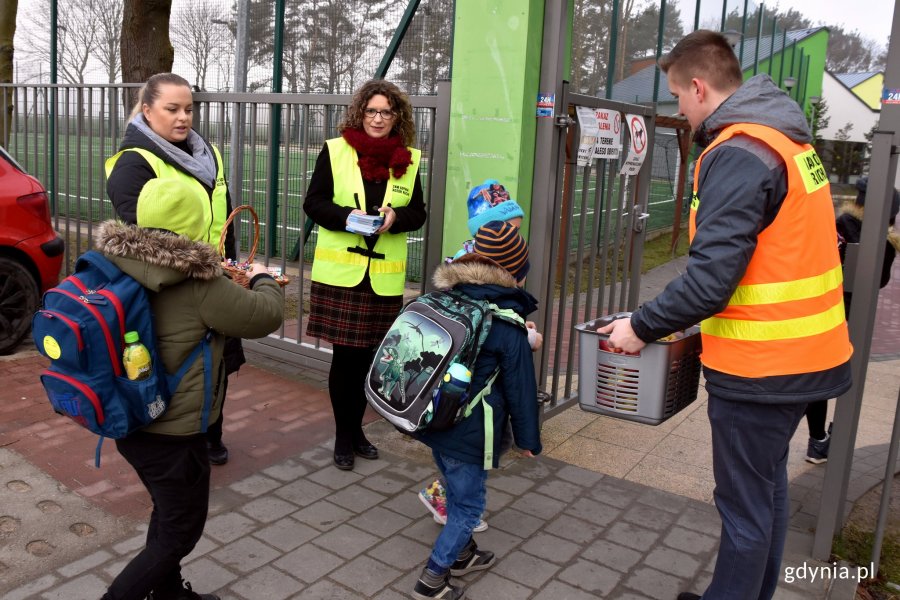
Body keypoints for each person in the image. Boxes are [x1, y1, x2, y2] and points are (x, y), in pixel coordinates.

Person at [598, 30, 852, 600]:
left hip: (763, 366)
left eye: (678, 98)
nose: (680, 112)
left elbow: (712, 280)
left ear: (698, 86)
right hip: (807, 356)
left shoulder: (738, 151)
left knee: (742, 505)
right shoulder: (787, 142)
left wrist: (639, 326)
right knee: (765, 492)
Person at [97, 178, 283, 600]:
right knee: (180, 532)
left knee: (168, 514)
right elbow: (263, 317)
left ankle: (167, 593)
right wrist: (263, 278)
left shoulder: (112, 260)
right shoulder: (198, 280)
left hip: (128, 418)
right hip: (174, 434)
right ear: (196, 222)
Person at [106, 72, 240, 466]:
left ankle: (212, 433)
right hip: (169, 289)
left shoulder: (207, 154)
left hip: (216, 279)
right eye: (172, 109)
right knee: (180, 366)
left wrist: (230, 266)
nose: (183, 117)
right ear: (147, 111)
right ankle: (171, 438)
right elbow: (143, 238)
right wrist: (195, 269)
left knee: (219, 362)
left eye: (189, 109)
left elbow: (222, 216)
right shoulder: (133, 163)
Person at [412, 221, 543, 600]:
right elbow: (520, 391)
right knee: (468, 508)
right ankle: (433, 579)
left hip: (435, 421)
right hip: (471, 433)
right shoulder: (506, 327)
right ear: (514, 276)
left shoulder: (452, 299)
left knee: (454, 487)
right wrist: (528, 440)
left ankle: (464, 555)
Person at [303, 79, 427, 471]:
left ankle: (358, 431)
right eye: (371, 111)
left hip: (383, 281)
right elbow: (314, 203)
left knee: (374, 360)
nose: (378, 118)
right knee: (346, 360)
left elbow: (418, 212)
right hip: (343, 276)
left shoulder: (408, 158)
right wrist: (347, 219)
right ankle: (343, 436)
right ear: (361, 113)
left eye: (386, 112)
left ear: (397, 117)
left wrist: (395, 217)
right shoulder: (336, 151)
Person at [418, 179, 536, 531]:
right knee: (474, 446)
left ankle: (447, 495)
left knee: (464, 447)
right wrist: (523, 339)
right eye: (505, 226)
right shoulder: (481, 266)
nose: (512, 233)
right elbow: (483, 328)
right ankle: (452, 507)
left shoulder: (478, 258)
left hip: (475, 374)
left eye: (514, 227)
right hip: (472, 382)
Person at [804, 176, 900, 463]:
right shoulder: (883, 244)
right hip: (848, 319)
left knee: (814, 377)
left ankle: (818, 438)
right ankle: (820, 441)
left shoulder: (836, 225)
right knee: (827, 379)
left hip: (814, 312)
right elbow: (879, 283)